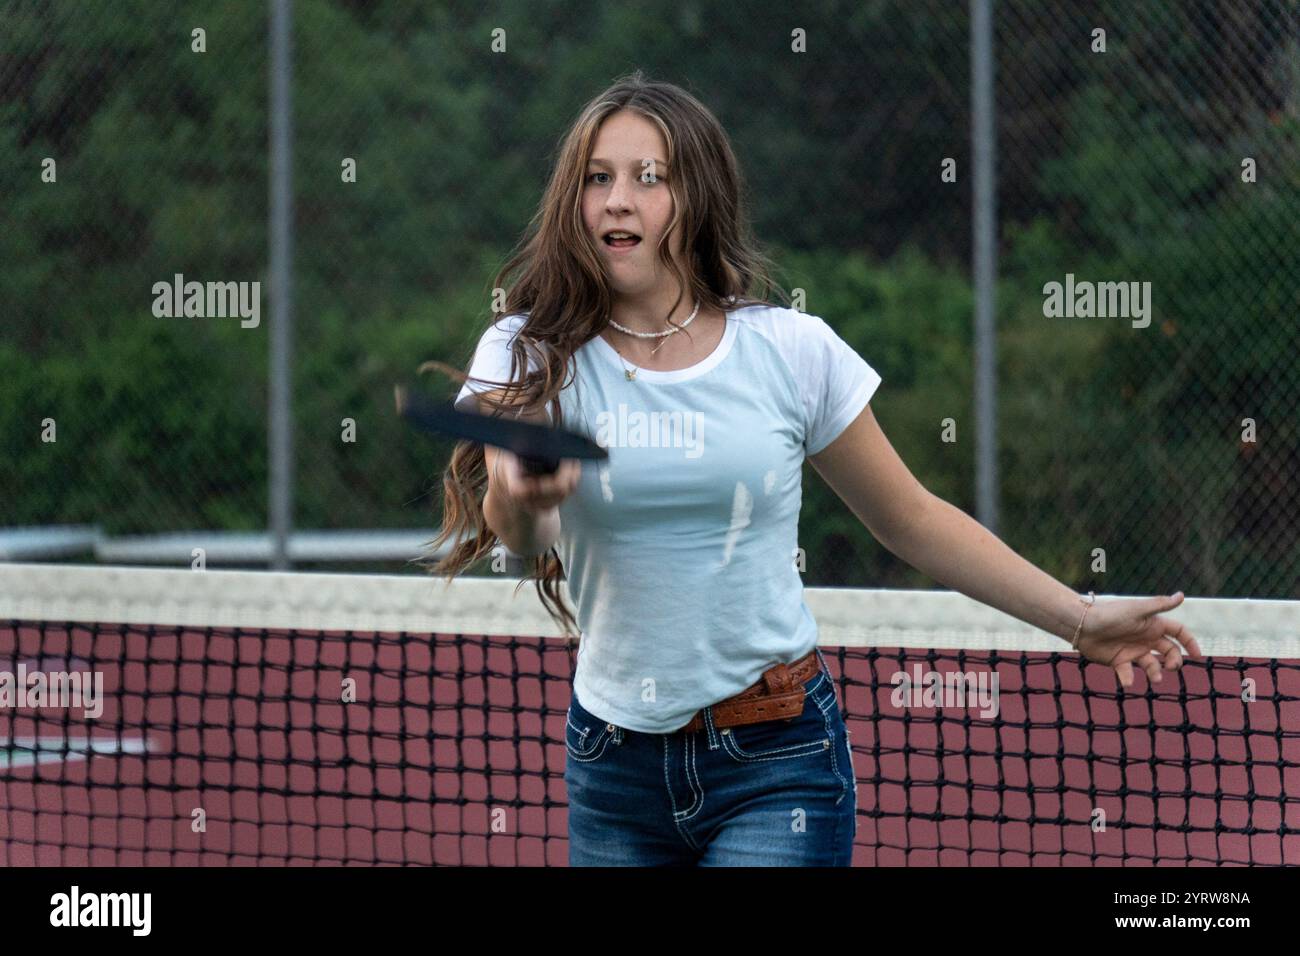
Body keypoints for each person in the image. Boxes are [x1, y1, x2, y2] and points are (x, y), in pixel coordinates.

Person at [429, 72, 1202, 867]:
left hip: (779, 761)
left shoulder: (792, 350)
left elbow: (913, 521)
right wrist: (521, 495)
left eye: (648, 177)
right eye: (598, 178)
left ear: (697, 196)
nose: (617, 200)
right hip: (611, 766)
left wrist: (1081, 619)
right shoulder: (525, 352)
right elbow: (519, 532)